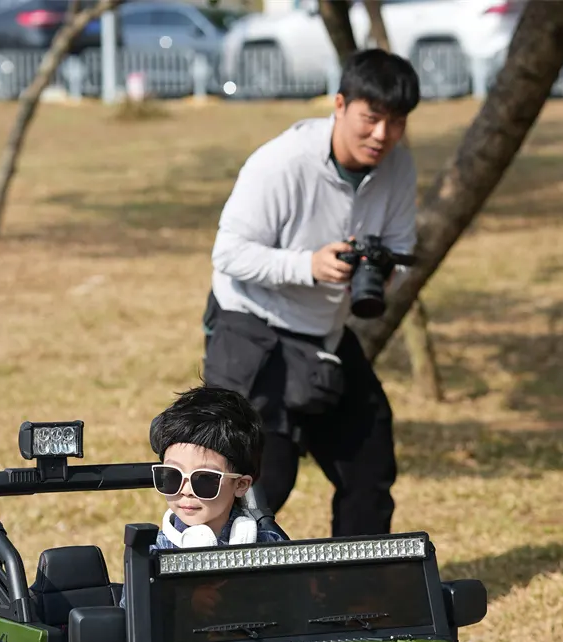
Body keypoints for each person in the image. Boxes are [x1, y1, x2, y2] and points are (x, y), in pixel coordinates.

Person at [202, 47, 420, 538]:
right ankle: (211, 597)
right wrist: (310, 265)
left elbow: (403, 249)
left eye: (397, 122)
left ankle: (356, 598)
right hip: (252, 325)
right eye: (372, 118)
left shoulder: (398, 167)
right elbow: (229, 253)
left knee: (369, 464)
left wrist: (381, 273)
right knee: (257, 483)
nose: (382, 135)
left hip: (324, 333)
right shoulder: (283, 163)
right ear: (340, 105)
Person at [146, 385, 288, 550]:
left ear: (241, 485)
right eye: (172, 475)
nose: (186, 490)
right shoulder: (152, 553)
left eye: (205, 478)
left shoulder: (269, 548)